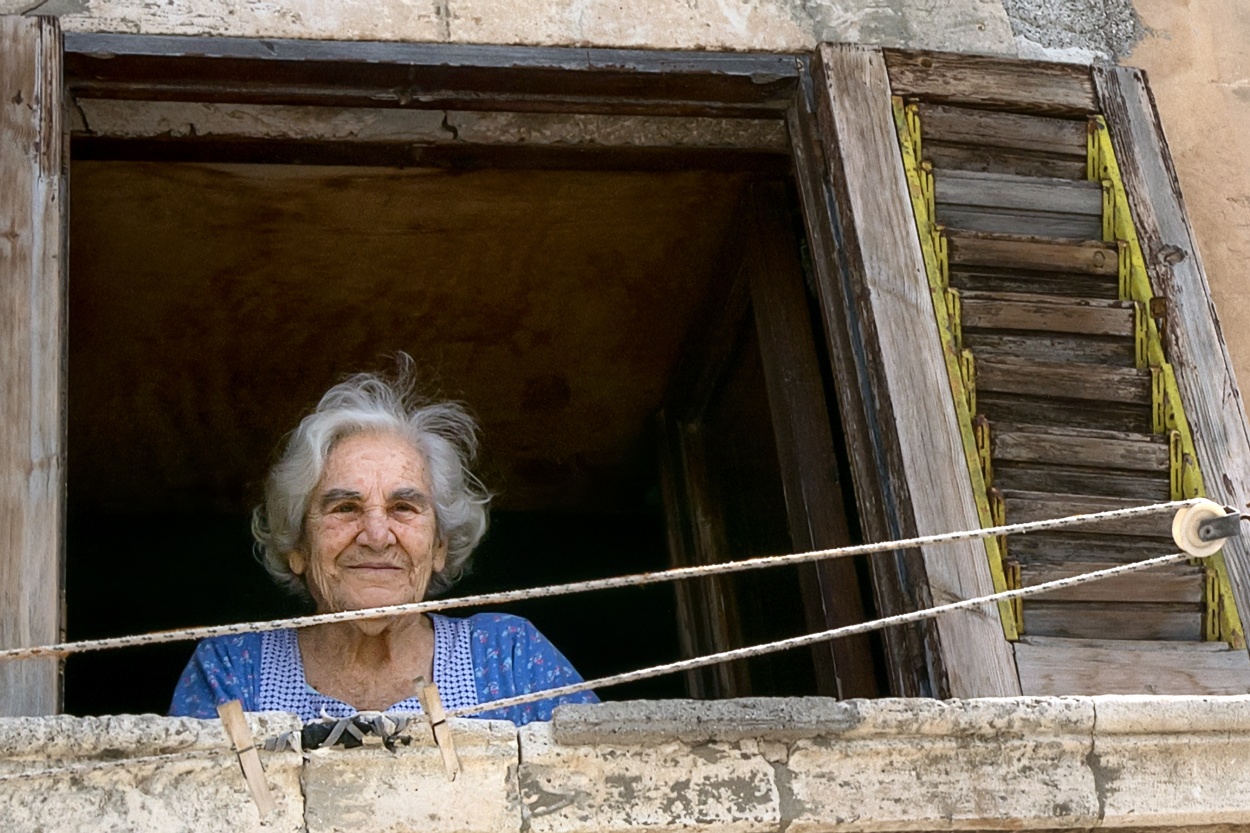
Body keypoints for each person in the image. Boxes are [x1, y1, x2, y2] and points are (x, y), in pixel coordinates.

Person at [169, 362, 597, 725]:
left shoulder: (509, 657)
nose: (376, 536)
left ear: (439, 546)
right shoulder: (232, 670)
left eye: (404, 508)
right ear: (296, 546)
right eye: (345, 508)